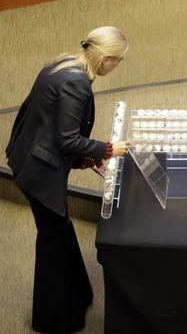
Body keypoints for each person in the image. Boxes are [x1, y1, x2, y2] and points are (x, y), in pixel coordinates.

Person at [5, 26, 130, 333]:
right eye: (117, 60)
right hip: (39, 172)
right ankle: (55, 321)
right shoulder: (77, 83)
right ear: (104, 59)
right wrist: (109, 149)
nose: (117, 66)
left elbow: (48, 122)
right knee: (52, 242)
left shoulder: (62, 63)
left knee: (59, 231)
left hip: (27, 156)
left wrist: (88, 159)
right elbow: (67, 140)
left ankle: (77, 298)